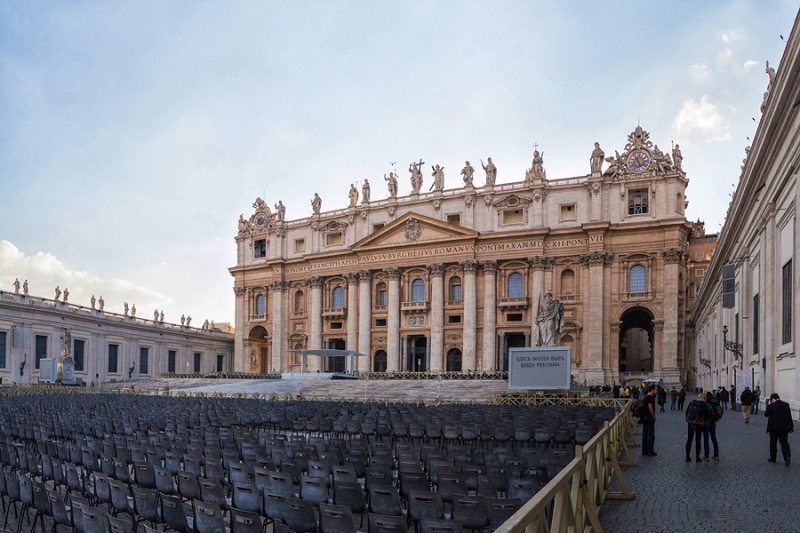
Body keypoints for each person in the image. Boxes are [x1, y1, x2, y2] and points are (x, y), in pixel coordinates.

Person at [765, 393, 793, 465]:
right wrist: (791, 427)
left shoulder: (771, 405)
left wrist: (768, 405)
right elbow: (789, 416)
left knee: (773, 443)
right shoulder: (786, 405)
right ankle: (787, 457)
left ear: (772, 399)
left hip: (773, 427)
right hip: (784, 427)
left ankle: (773, 458)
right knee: (784, 442)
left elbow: (766, 414)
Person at [685, 392, 710, 462]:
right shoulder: (704, 406)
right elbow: (706, 416)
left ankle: (687, 456)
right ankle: (697, 457)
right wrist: (703, 422)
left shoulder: (692, 403)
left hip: (690, 423)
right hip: (699, 424)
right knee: (698, 440)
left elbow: (687, 412)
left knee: (689, 439)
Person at [641, 385, 659, 457]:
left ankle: (644, 451)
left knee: (645, 434)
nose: (656, 391)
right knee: (650, 435)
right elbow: (650, 408)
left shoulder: (646, 397)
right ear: (652, 390)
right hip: (649, 418)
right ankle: (650, 451)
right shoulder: (650, 398)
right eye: (656, 389)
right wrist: (654, 416)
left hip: (645, 418)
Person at [704, 392, 721, 460]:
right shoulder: (715, 403)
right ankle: (716, 455)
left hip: (706, 423)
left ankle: (706, 456)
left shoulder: (706, 404)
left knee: (706, 439)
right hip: (713, 422)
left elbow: (704, 414)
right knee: (714, 438)